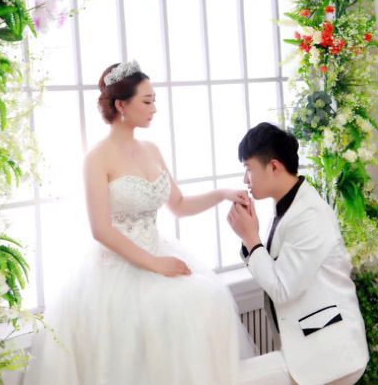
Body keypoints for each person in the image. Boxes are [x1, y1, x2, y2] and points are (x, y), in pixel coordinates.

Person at [23, 60, 256, 385]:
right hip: (118, 264)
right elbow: (100, 229)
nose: (154, 109)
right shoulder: (97, 158)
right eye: (147, 101)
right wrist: (155, 264)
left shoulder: (151, 149)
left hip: (158, 248)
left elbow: (179, 205)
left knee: (208, 299)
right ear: (121, 105)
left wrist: (223, 193)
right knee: (154, 321)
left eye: (154, 100)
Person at [227, 122, 369, 385]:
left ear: (273, 167)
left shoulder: (309, 214)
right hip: (307, 345)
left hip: (332, 353)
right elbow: (273, 271)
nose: (245, 180)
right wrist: (250, 241)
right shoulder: (287, 206)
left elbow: (282, 288)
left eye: (248, 168)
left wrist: (251, 239)